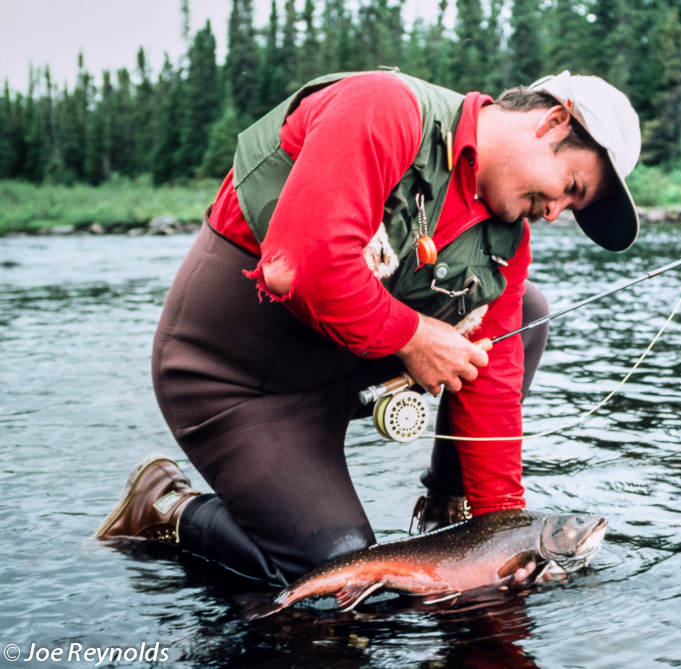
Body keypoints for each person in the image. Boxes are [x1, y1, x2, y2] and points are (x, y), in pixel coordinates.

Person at [96, 69, 641, 587]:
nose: (554, 212)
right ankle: (165, 508)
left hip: (348, 372)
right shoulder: (384, 108)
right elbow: (304, 264)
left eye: (572, 205)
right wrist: (414, 338)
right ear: (552, 123)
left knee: (524, 314)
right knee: (337, 571)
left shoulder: (509, 240)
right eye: (570, 186)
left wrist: (501, 536)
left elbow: (492, 381)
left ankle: (449, 519)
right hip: (236, 378)